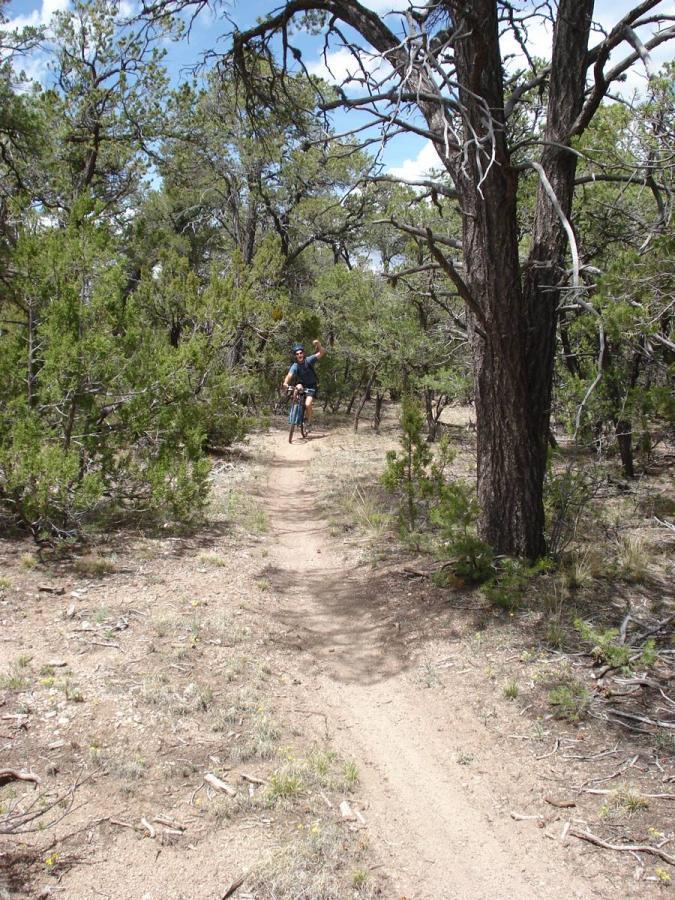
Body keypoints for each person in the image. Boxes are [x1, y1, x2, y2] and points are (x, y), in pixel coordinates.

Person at [282, 339, 326, 431]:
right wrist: (285, 383)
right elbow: (289, 375)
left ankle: (309, 423)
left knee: (308, 404)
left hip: (312, 386)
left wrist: (318, 344)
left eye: (300, 353)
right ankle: (297, 413)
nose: (299, 355)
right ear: (295, 356)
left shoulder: (309, 360)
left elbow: (322, 352)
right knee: (296, 389)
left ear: (303, 353)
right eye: (297, 354)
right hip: (302, 384)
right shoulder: (295, 365)